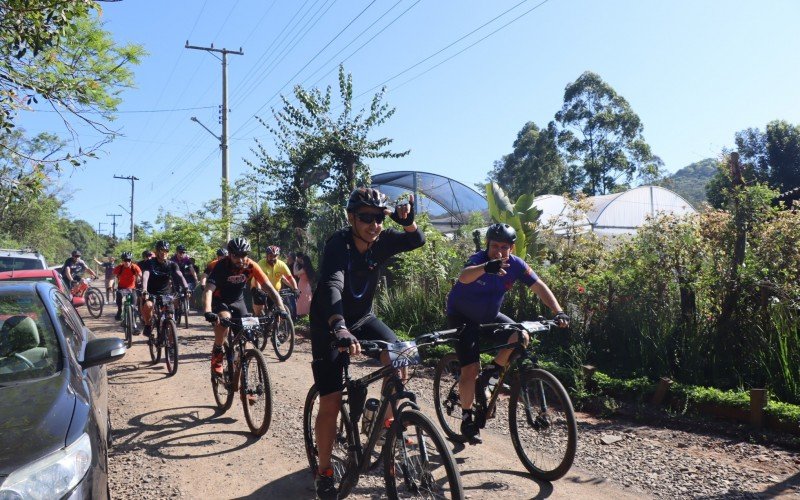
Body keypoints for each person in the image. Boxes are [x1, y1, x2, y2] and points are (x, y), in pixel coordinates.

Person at [311, 187, 423, 499]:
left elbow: (416, 240)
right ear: (351, 218)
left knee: (399, 358)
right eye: (366, 218)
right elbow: (333, 284)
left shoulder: (382, 241)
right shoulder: (339, 244)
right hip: (330, 323)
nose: (374, 224)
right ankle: (324, 470)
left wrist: (409, 222)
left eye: (380, 218)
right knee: (331, 400)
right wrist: (339, 327)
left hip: (362, 318)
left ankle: (385, 420)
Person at [446, 222, 570, 444]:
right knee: (470, 368)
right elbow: (464, 277)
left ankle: (492, 372)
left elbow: (539, 286)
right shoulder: (479, 260)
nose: (499, 251)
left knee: (521, 336)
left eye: (504, 247)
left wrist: (559, 311)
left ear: (512, 248)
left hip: (489, 316)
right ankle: (467, 417)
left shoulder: (516, 264)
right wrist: (486, 267)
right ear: (487, 245)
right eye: (495, 246)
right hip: (462, 317)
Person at [203, 237, 284, 375]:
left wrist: (281, 309)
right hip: (220, 300)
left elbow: (270, 288)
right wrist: (208, 311)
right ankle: (217, 353)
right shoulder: (221, 265)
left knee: (248, 335)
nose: (240, 259)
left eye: (244, 255)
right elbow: (208, 290)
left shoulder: (251, 265)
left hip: (238, 301)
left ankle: (243, 379)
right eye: (236, 255)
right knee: (225, 319)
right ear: (229, 254)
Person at [140, 241, 189, 338]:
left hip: (166, 294)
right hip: (151, 293)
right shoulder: (149, 263)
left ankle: (171, 347)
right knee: (148, 305)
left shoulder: (172, 264)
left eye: (166, 251)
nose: (164, 253)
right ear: (157, 251)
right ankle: (148, 325)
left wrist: (186, 288)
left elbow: (180, 276)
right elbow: (145, 276)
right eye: (161, 250)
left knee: (170, 318)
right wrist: (144, 290)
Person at [251, 245, 298, 318]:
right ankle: (257, 320)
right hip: (258, 287)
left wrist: (295, 289)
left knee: (278, 309)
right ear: (266, 255)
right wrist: (259, 290)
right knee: (260, 308)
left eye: (275, 256)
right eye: (270, 256)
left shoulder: (281, 264)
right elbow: (257, 279)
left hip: (274, 290)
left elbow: (290, 278)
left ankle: (275, 325)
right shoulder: (261, 263)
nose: (272, 258)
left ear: (278, 256)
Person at [112, 252, 142, 322]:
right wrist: (112, 285)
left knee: (133, 307)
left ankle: (133, 325)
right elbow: (113, 277)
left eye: (129, 260)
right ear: (122, 261)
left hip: (132, 288)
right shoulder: (120, 267)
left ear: (131, 260)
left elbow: (141, 274)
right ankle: (119, 310)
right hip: (122, 287)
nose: (127, 262)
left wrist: (141, 280)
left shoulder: (134, 267)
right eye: (125, 260)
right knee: (118, 294)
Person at [293, 252, 315, 317]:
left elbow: (295, 273)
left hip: (302, 286)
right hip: (307, 286)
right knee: (307, 299)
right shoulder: (309, 268)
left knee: (302, 300)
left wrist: (295, 264)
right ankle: (307, 314)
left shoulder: (304, 269)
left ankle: (304, 314)